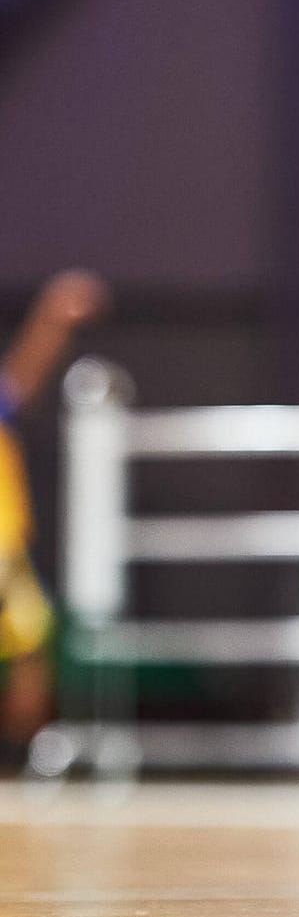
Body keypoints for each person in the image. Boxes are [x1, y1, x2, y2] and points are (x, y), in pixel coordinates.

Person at [0, 269, 111, 753]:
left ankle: (26, 751)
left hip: (5, 546)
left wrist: (52, 315)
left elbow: (21, 378)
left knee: (31, 640)